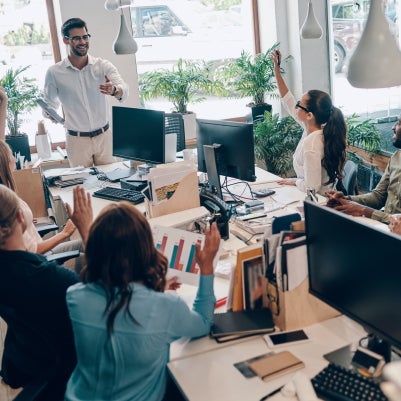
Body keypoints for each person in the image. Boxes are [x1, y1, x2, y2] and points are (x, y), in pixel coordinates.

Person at [64, 202, 221, 401]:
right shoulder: (166, 308)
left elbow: (112, 293)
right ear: (146, 249)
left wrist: (152, 289)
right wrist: (206, 268)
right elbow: (203, 323)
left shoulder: (75, 297)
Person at [0, 185, 93, 400]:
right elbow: (103, 298)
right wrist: (86, 228)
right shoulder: (52, 280)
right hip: (75, 364)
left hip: (34, 354)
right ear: (20, 218)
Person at [43, 17, 129, 167]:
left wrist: (114, 90)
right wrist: (49, 114)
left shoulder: (102, 66)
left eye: (85, 37)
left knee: (113, 182)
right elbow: (49, 105)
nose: (82, 42)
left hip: (104, 137)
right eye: (76, 38)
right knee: (83, 186)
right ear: (65, 40)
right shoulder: (54, 72)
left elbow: (124, 90)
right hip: (77, 142)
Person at [272, 49, 347, 195]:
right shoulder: (315, 129)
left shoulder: (312, 142)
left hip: (319, 203)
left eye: (300, 103)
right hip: (317, 198)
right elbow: (288, 101)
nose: (296, 105)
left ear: (309, 115)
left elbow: (311, 188)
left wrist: (295, 181)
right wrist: (277, 70)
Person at [0, 139, 82, 259]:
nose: (14, 158)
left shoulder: (6, 195)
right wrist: (65, 232)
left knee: (93, 244)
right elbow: (34, 250)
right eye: (11, 153)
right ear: (5, 162)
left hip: (43, 253)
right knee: (91, 252)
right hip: (42, 260)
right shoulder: (7, 203)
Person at [327, 115, 401, 224]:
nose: (393, 127)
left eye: (399, 123)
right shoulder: (396, 157)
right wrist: (347, 199)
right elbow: (377, 197)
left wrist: (364, 211)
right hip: (383, 229)